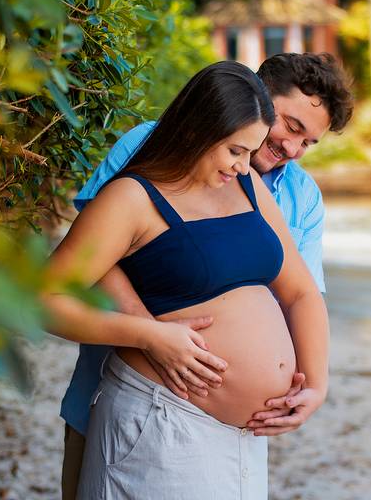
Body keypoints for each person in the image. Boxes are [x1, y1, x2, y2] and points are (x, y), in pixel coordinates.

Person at [59, 53, 353, 499]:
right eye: (291, 127)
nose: (290, 151)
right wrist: (151, 335)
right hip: (158, 408)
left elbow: (301, 292)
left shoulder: (271, 187)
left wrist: (315, 383)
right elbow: (89, 264)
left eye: (309, 143)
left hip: (241, 438)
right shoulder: (141, 170)